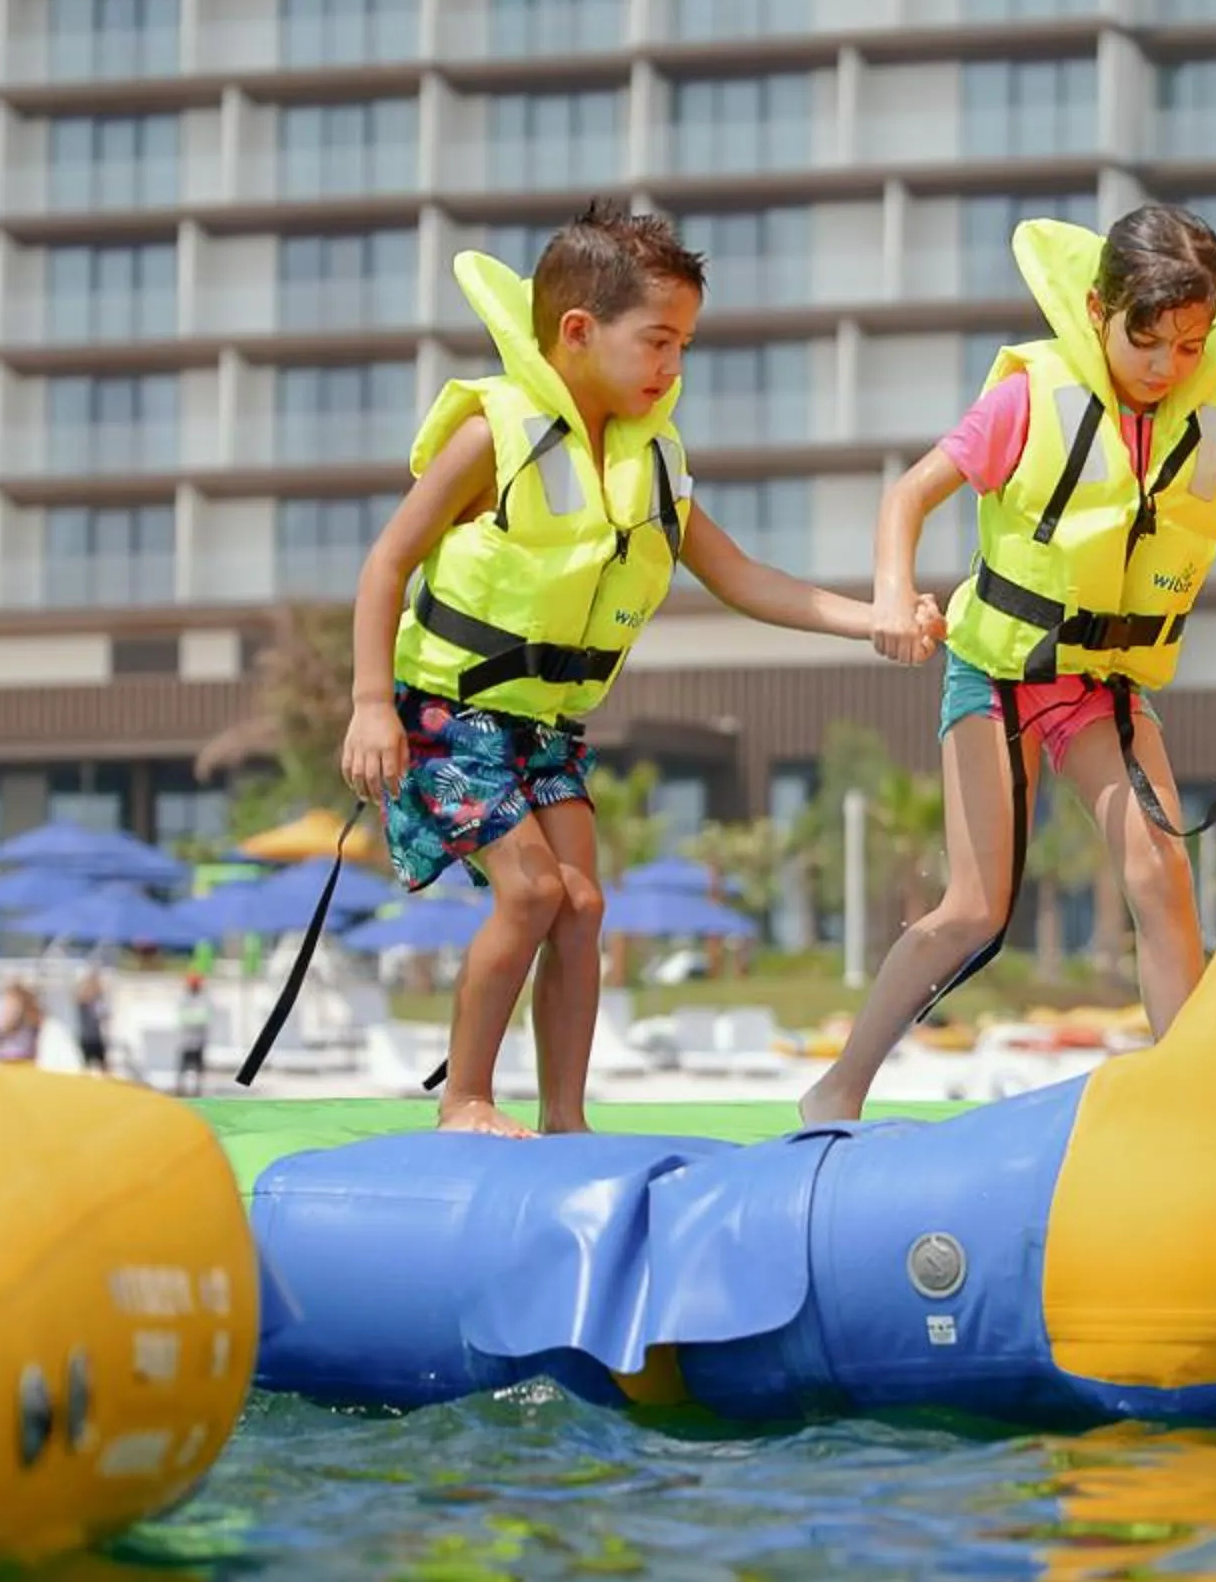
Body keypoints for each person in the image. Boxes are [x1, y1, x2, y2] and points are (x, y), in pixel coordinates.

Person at [799, 204, 1216, 1125]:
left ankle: (1189, 1102)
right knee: (974, 908)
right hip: (996, 675)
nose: (1167, 368)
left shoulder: (1213, 429)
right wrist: (889, 594)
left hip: (1101, 690)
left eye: (1191, 347)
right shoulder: (1030, 399)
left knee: (1161, 880)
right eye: (1148, 342)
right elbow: (909, 497)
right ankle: (837, 1087)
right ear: (1097, 309)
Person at [340, 201, 939, 1139]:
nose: (674, 369)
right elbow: (385, 565)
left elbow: (742, 578)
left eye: (684, 347)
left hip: (544, 727)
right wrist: (371, 703)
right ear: (577, 332)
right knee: (534, 892)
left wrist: (876, 620)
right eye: (658, 342)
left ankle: (567, 1120)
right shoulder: (494, 437)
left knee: (582, 907)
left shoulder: (650, 465)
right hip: (442, 710)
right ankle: (464, 1100)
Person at [174, 971, 212, 1098]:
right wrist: (195, 1017)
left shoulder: (204, 997)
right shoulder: (184, 997)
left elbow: (204, 1017)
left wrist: (194, 1017)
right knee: (183, 1068)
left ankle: (197, 1091)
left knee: (198, 1069)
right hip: (185, 1041)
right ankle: (181, 1090)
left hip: (199, 1041)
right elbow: (185, 1017)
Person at [72, 962, 112, 1077]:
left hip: (96, 1036)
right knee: (88, 1064)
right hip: (87, 1036)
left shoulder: (98, 1001)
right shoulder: (84, 1001)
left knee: (102, 1064)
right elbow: (80, 996)